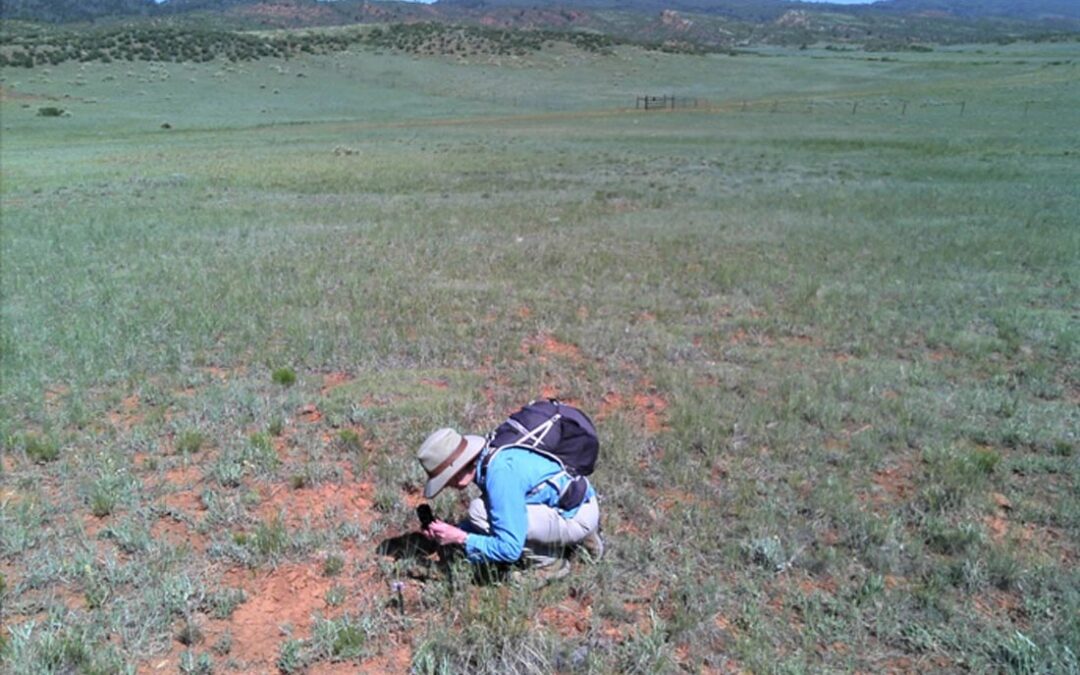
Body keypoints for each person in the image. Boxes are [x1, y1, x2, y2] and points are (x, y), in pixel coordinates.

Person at [416, 427, 603, 580]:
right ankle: (584, 539)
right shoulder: (492, 455)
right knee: (488, 510)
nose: (447, 485)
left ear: (456, 471)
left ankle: (550, 564)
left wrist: (461, 538)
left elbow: (510, 549)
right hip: (580, 501)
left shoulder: (500, 475)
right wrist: (452, 529)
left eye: (445, 479)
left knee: (480, 511)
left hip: (576, 517)